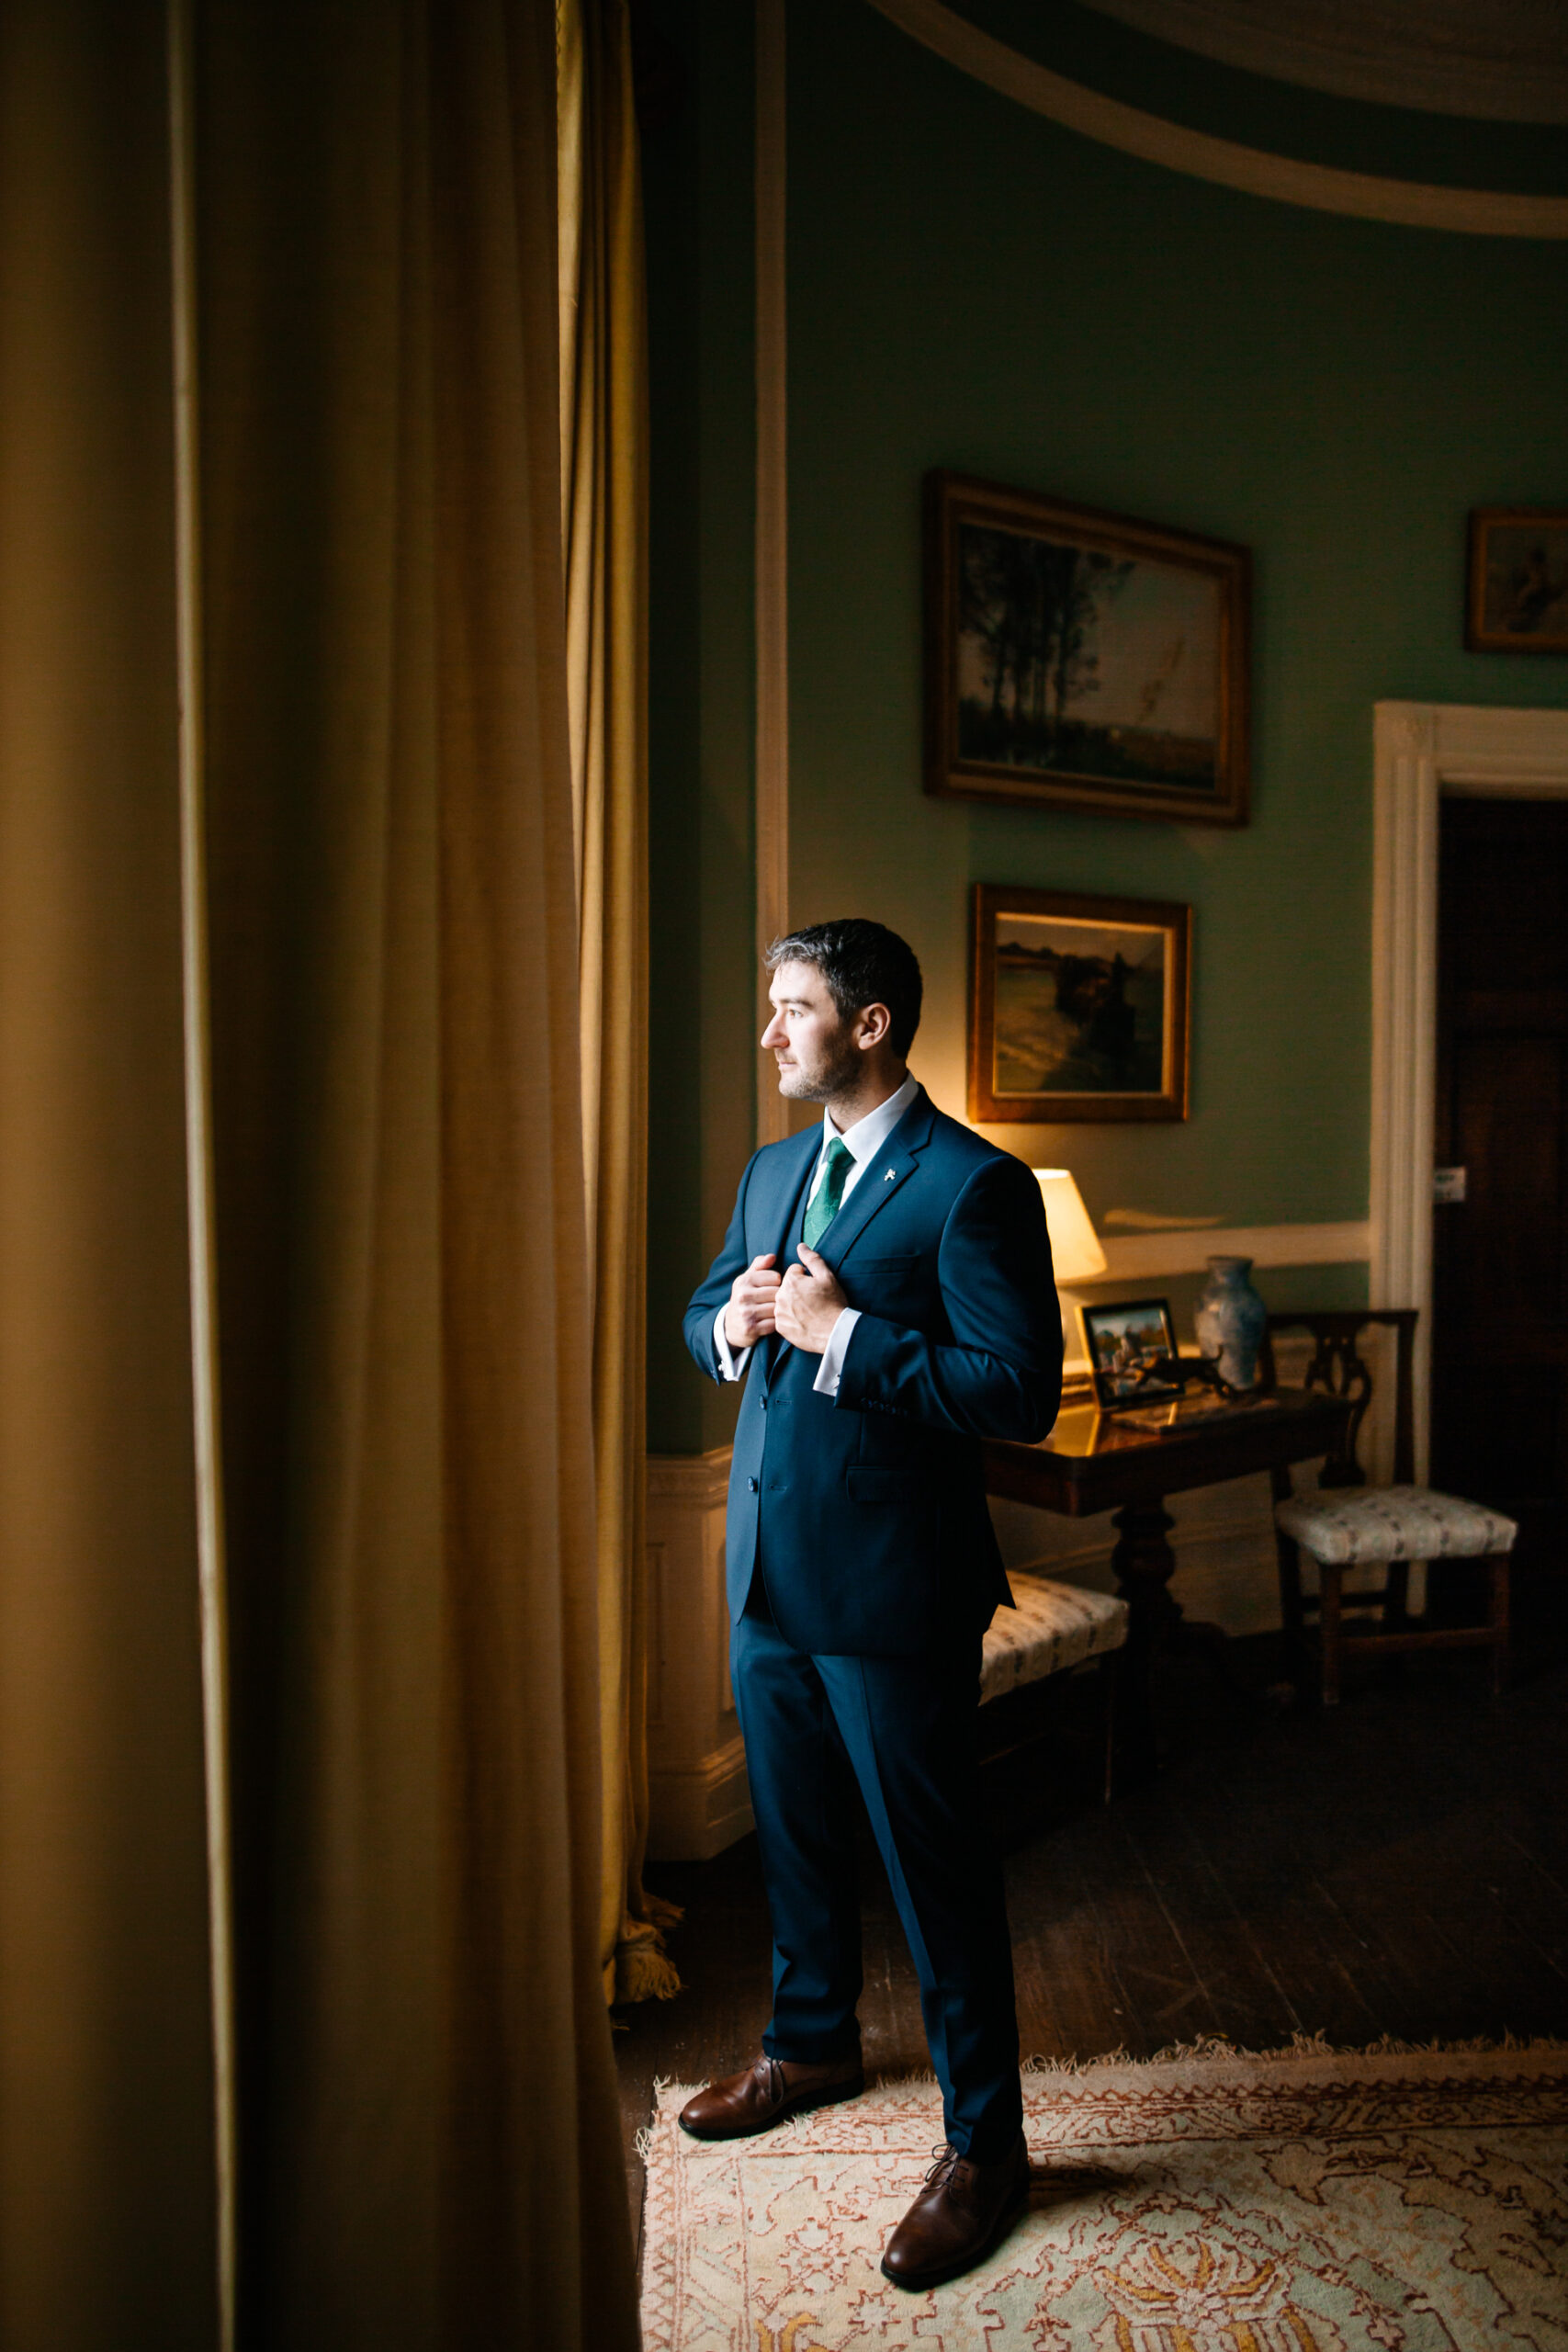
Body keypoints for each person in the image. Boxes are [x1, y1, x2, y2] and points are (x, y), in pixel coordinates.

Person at [680, 918, 1063, 2290]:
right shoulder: (775, 1167)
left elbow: (1017, 1392)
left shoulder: (974, 1186)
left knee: (934, 1870)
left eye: (793, 1009)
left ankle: (987, 2150)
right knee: (794, 1836)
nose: (774, 1033)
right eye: (775, 1007)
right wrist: (736, 1322)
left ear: (872, 1023)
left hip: (897, 1590)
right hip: (768, 1576)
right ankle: (810, 2042)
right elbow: (707, 1308)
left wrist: (847, 1335)